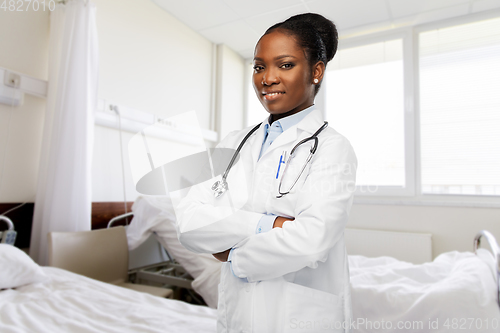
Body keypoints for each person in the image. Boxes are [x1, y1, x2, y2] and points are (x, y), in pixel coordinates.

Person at [176, 13, 357, 333]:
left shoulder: (332, 147)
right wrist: (268, 224)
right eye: (259, 66)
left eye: (285, 65)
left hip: (299, 317)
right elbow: (189, 224)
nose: (267, 78)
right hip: (239, 313)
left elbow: (312, 240)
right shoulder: (234, 142)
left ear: (316, 71)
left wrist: (231, 255)